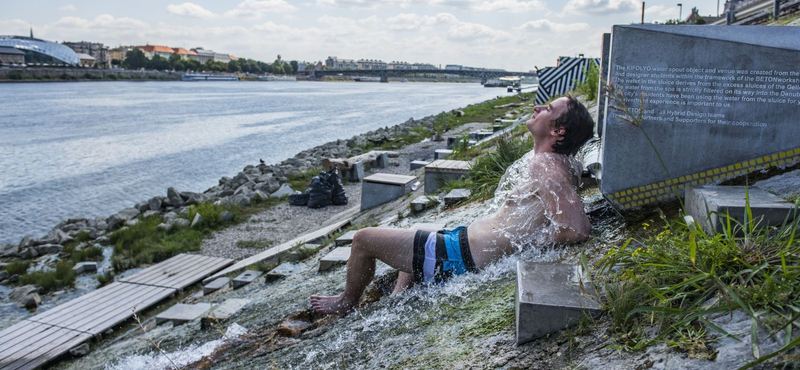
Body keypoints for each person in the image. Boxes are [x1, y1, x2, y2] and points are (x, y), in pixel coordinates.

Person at [311, 94, 594, 314]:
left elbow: (576, 229)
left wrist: (529, 242)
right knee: (420, 229)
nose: (537, 108)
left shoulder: (546, 165)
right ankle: (399, 299)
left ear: (559, 131)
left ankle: (346, 301)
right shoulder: (560, 163)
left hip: (461, 257)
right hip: (462, 247)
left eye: (548, 110)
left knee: (362, 239)